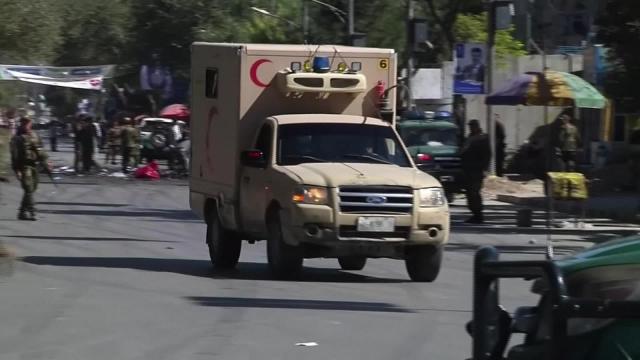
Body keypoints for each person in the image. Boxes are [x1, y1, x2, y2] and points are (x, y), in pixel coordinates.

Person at [10, 117, 49, 220]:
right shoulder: (17, 138)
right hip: (23, 166)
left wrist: (46, 162)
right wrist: (16, 170)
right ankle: (32, 212)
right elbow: (14, 155)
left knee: (32, 189)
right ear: (22, 123)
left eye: (28, 123)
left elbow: (41, 149)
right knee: (28, 188)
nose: (26, 125)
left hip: (34, 165)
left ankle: (22, 212)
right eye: (24, 123)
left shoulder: (34, 135)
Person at [460, 119, 492, 224]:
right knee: (470, 193)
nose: (471, 128)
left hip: (476, 170)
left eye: (472, 126)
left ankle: (478, 215)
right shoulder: (470, 137)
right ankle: (475, 214)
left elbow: (487, 155)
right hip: (468, 170)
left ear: (477, 126)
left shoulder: (482, 138)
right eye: (470, 126)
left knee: (474, 193)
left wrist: (484, 169)